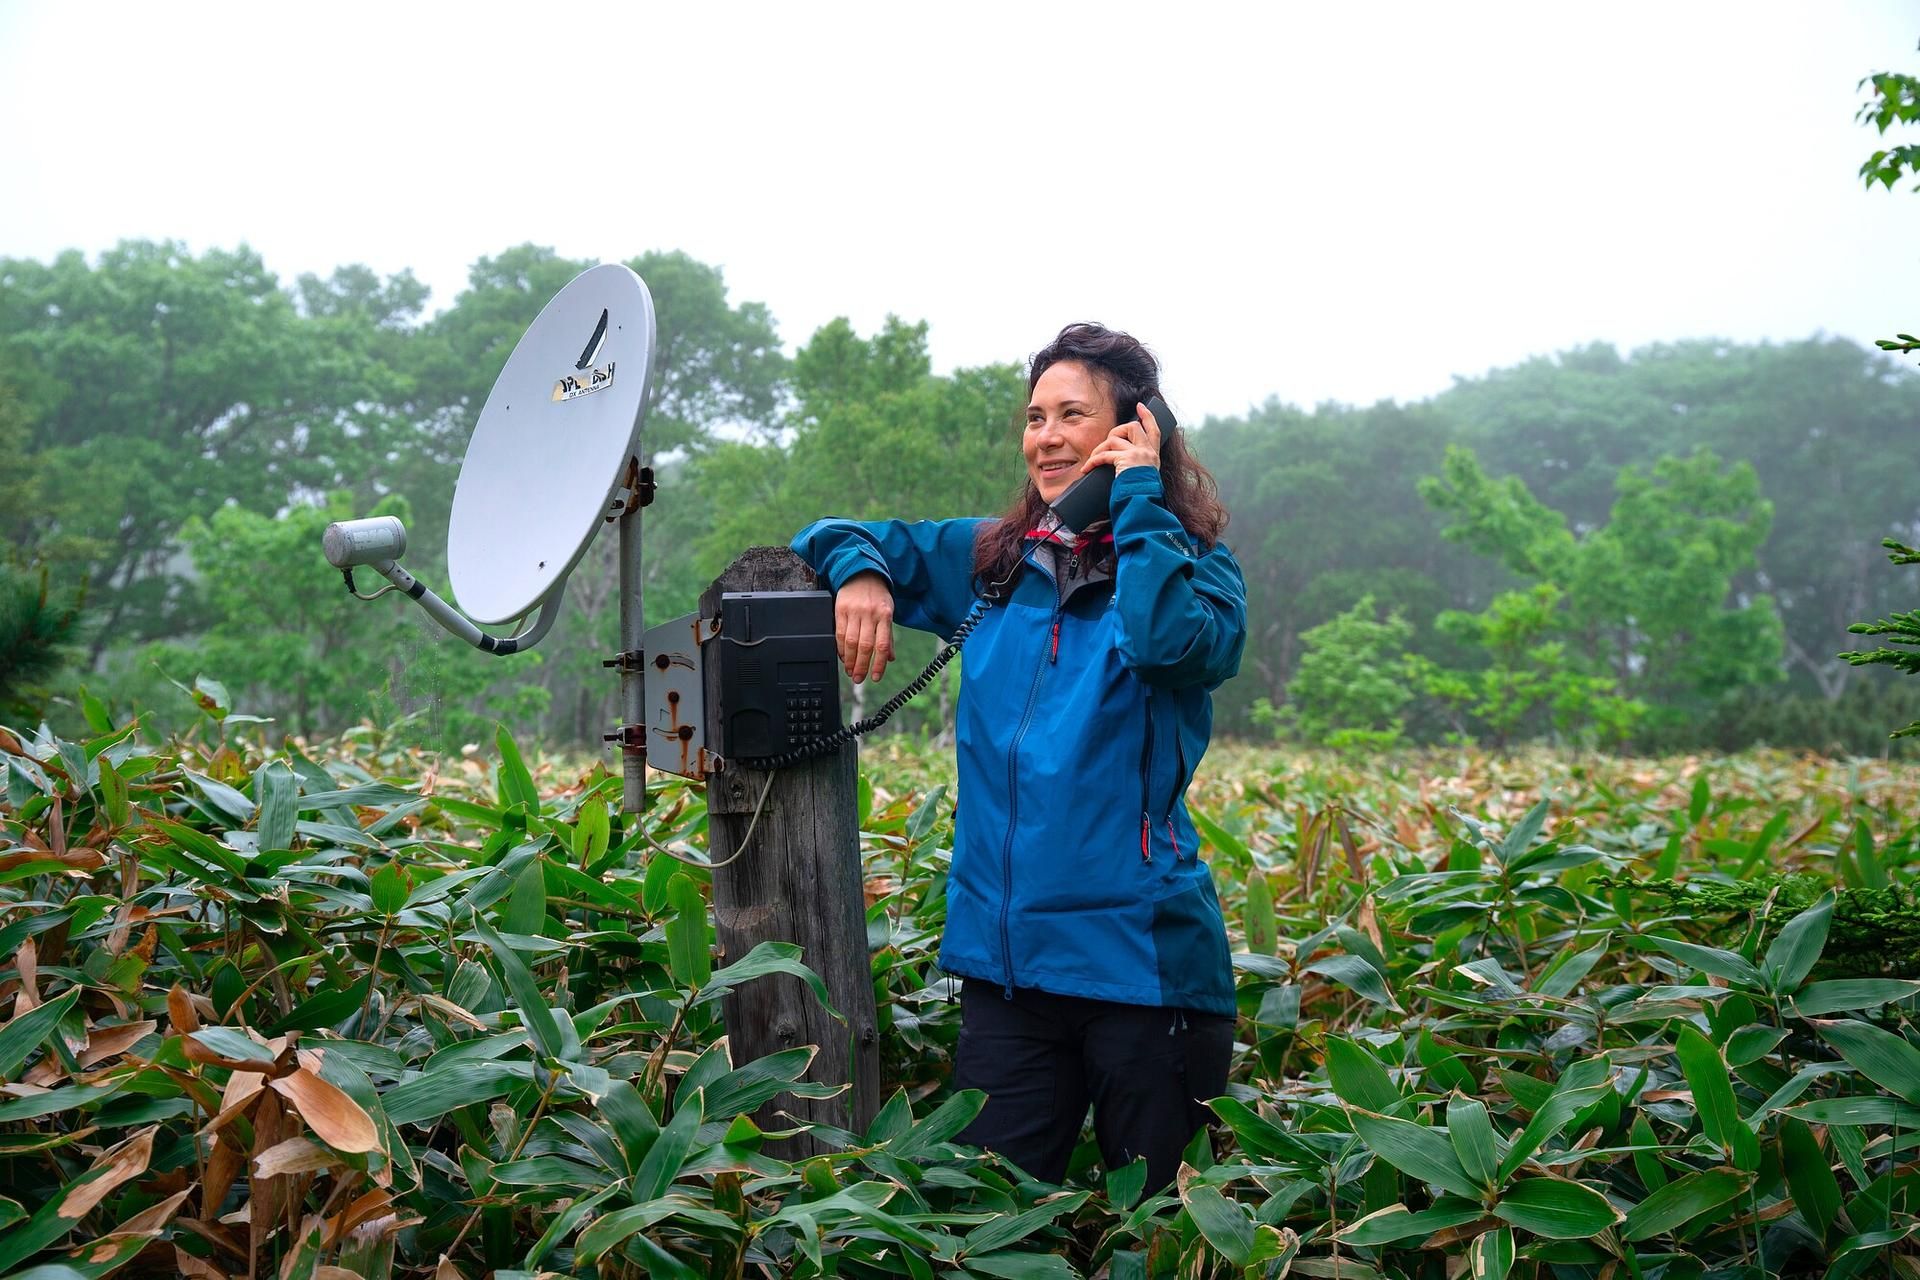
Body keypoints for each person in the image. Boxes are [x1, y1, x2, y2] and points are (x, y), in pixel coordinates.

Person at [790, 323, 1246, 1190]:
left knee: (1150, 1231)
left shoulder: (1200, 574)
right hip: (1008, 974)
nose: (1046, 436)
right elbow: (832, 530)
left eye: (1073, 414)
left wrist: (1140, 499)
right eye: (1035, 416)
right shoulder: (992, 559)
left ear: (1136, 429)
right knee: (986, 1224)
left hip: (1145, 975)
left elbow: (1163, 646)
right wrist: (861, 574)